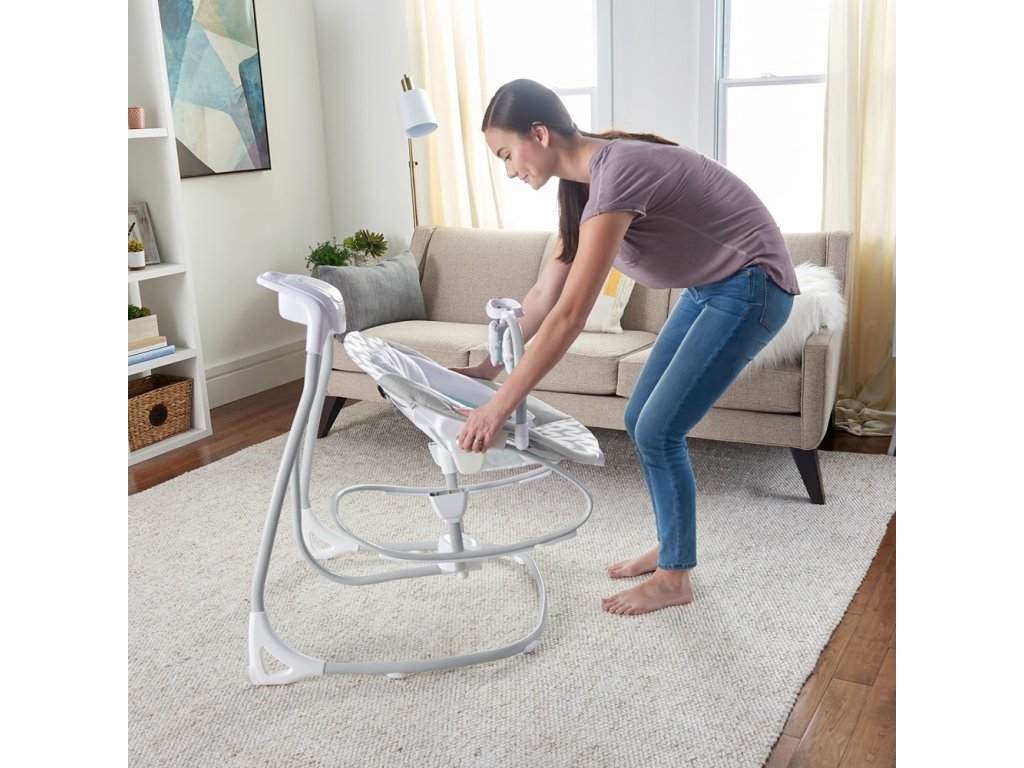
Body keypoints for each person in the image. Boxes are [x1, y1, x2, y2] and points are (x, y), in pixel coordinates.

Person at [454, 79, 798, 616]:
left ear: (538, 134)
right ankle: (672, 544)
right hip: (710, 287)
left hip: (753, 286)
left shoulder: (617, 172)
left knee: (660, 428)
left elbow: (570, 316)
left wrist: (499, 407)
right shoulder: (581, 188)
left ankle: (674, 578)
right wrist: (489, 367)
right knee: (641, 418)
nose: (509, 171)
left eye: (506, 154)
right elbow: (544, 296)